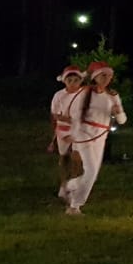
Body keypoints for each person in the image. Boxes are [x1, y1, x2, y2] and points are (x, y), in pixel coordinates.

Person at [64, 61, 127, 216]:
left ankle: (71, 185)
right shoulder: (85, 93)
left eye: (109, 76)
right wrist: (74, 135)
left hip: (100, 137)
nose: (107, 78)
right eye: (103, 75)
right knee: (91, 171)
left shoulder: (113, 96)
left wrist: (118, 112)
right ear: (95, 77)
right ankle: (74, 206)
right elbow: (76, 116)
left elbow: (122, 121)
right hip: (84, 135)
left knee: (92, 173)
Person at [49, 65, 85, 202]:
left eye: (76, 80)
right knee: (64, 157)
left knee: (77, 157)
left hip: (79, 131)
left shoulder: (84, 95)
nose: (73, 82)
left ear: (80, 81)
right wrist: (68, 119)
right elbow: (55, 114)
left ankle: (74, 185)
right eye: (70, 80)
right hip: (63, 130)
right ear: (64, 81)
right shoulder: (59, 95)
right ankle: (63, 184)